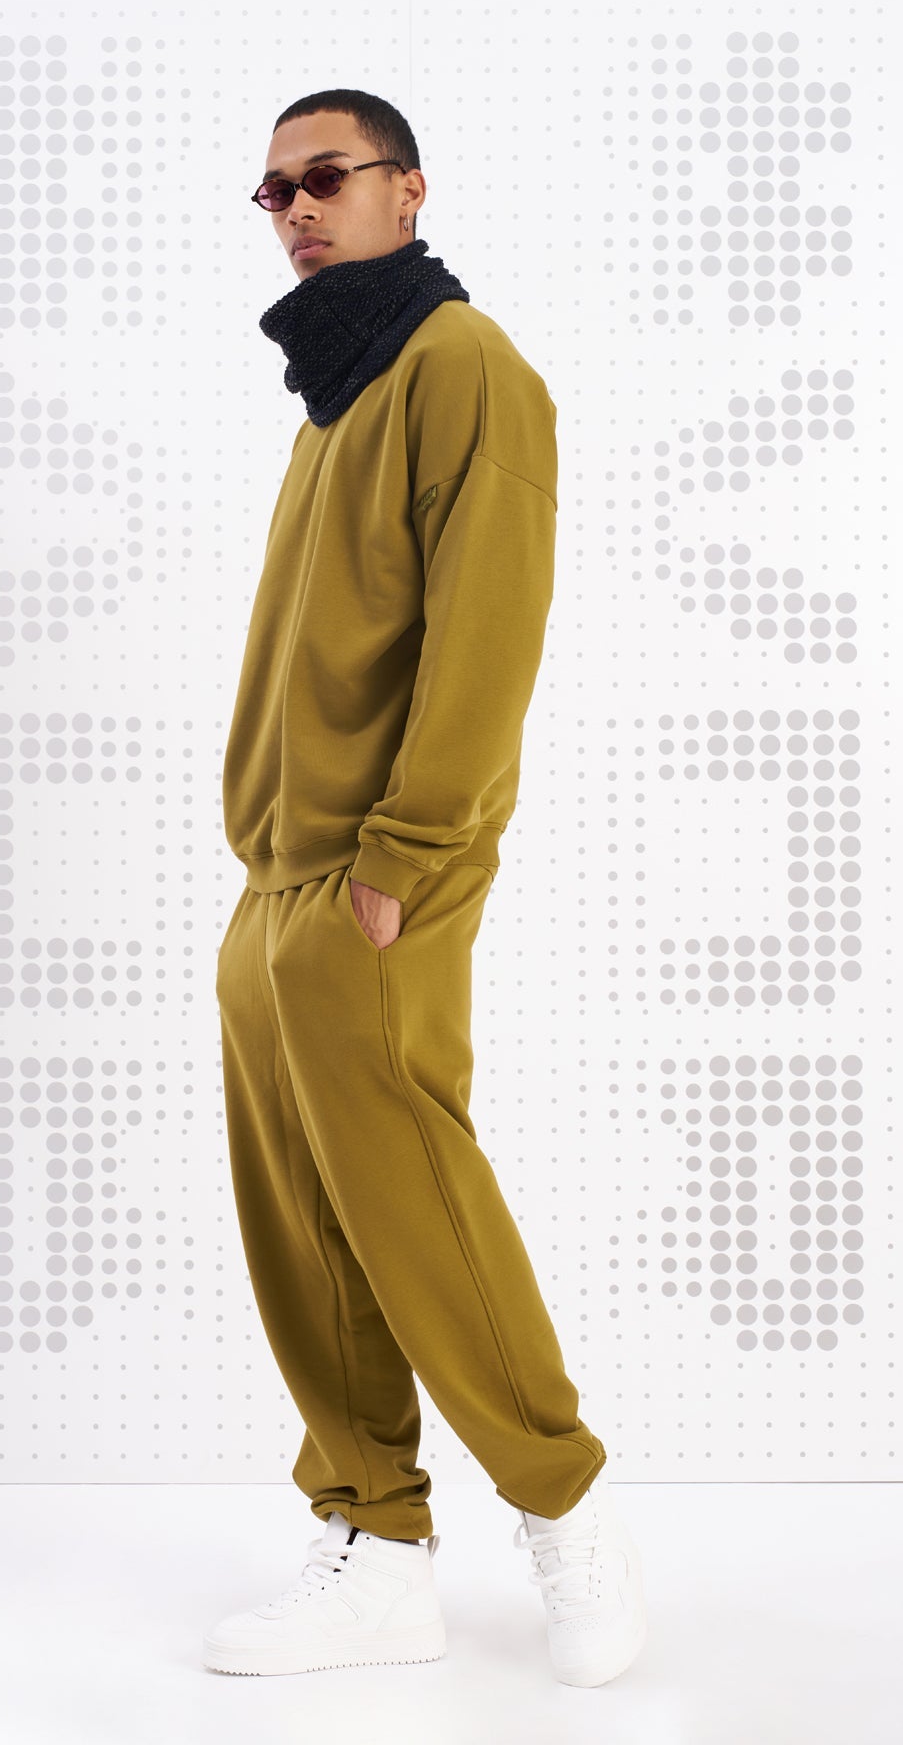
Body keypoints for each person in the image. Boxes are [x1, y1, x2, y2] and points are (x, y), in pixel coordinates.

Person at [205, 88, 647, 1687]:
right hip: (277, 878)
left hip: (380, 871)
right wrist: (270, 873)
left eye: (325, 177)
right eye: (274, 190)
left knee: (413, 1200)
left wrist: (401, 858)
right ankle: (375, 1540)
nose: (296, 209)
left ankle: (565, 1503)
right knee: (305, 1228)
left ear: (408, 189)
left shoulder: (464, 366)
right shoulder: (335, 395)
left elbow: (487, 632)